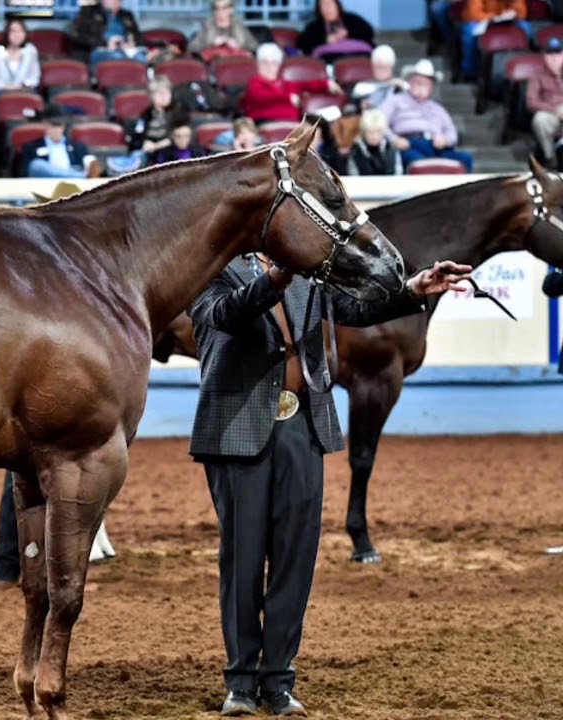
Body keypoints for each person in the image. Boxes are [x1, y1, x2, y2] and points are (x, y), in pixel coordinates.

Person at [190, 255, 473, 717]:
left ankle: (278, 681)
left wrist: (413, 289)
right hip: (237, 430)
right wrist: (278, 276)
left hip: (303, 424)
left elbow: (355, 307)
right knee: (242, 560)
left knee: (295, 558)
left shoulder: (306, 270)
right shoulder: (212, 262)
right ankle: (240, 682)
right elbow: (224, 314)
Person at [378, 58, 473, 171]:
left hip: (435, 146)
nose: (421, 86)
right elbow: (379, 122)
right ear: (410, 82)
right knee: (416, 160)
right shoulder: (395, 101)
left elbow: (452, 134)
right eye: (418, 82)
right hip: (409, 144)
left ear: (431, 87)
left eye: (426, 83)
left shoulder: (438, 109)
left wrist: (444, 140)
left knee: (465, 158)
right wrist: (394, 139)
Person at [240, 43, 342, 125]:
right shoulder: (255, 83)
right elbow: (261, 97)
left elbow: (305, 85)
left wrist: (326, 83)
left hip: (292, 122)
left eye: (274, 63)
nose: (269, 67)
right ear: (258, 65)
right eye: (265, 62)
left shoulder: (284, 84)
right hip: (265, 122)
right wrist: (288, 97)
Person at [18, 105, 100, 178]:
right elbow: (25, 173)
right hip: (44, 185)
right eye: (53, 125)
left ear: (64, 126)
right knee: (36, 165)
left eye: (59, 125)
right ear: (44, 124)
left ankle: (76, 175)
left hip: (72, 186)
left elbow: (88, 167)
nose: (56, 129)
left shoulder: (78, 147)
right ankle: (80, 176)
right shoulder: (31, 147)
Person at [459, 0, 530, 83]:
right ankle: (469, 70)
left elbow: (522, 14)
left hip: (505, 21)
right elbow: (473, 14)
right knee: (470, 30)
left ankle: (522, 67)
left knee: (524, 26)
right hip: (481, 20)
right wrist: (493, 17)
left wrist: (514, 3)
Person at [67, 0, 143, 67]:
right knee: (118, 57)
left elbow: (138, 38)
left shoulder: (127, 15)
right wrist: (106, 44)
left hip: (125, 50)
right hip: (97, 51)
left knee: (141, 57)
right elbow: (77, 36)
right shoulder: (88, 12)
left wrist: (131, 43)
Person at [0, 17, 41, 99]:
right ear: (6, 33)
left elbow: (35, 77)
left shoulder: (31, 50)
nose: (17, 34)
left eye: (21, 30)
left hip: (24, 91)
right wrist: (8, 87)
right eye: (13, 31)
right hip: (0, 92)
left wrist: (23, 85)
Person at [296, 0, 375, 60]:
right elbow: (302, 43)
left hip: (360, 55)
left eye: (330, 4)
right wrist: (325, 40)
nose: (327, 9)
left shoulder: (352, 19)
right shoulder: (314, 26)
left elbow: (369, 32)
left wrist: (348, 33)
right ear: (319, 9)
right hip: (330, 58)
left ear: (337, 6)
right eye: (323, 5)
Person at [528, 37, 563, 169]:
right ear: (544, 57)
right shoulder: (538, 76)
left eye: (558, 54)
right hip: (551, 114)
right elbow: (531, 101)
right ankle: (551, 159)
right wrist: (555, 110)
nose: (554, 58)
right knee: (539, 119)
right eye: (550, 54)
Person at [188, 0, 258, 62]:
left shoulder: (239, 26)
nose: (220, 12)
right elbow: (192, 47)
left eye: (224, 8)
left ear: (231, 10)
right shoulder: (207, 26)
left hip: (236, 64)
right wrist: (211, 43)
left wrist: (237, 45)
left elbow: (255, 47)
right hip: (214, 66)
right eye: (216, 8)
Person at [350, 44, 408, 111]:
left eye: (385, 67)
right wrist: (360, 107)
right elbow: (352, 109)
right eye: (379, 67)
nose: (382, 71)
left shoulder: (402, 86)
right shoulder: (362, 87)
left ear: (392, 66)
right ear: (373, 66)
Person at [347, 108, 404, 175]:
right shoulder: (355, 151)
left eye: (378, 132)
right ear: (364, 132)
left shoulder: (391, 149)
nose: (375, 136)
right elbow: (354, 177)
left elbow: (398, 175)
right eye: (371, 132)